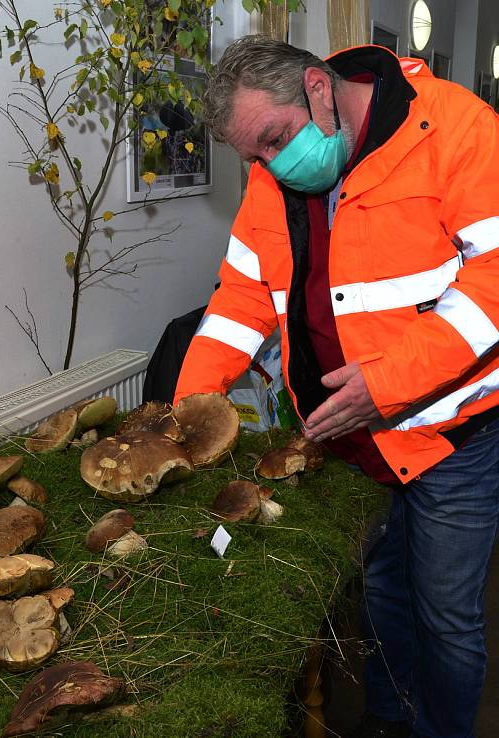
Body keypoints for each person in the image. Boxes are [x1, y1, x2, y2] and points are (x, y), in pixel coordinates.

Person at [173, 35, 499, 738]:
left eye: (275, 140)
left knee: (446, 616)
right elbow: (240, 301)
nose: (271, 165)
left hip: (452, 438)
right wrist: (184, 413)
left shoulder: (458, 126)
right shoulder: (273, 176)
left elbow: (494, 280)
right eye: (255, 156)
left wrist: (387, 383)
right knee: (381, 601)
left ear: (318, 87)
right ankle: (390, 719)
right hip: (353, 442)